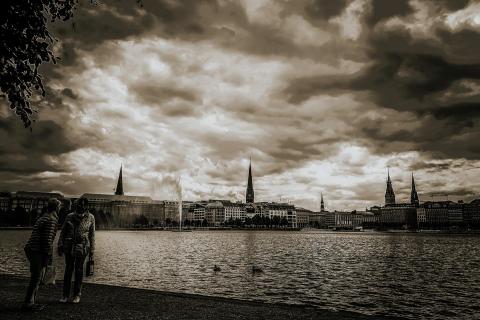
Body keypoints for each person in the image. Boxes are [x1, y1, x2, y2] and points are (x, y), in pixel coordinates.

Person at [23, 198, 61, 310]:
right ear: (56, 208)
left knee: (36, 276)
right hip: (37, 251)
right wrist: (48, 257)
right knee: (36, 277)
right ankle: (28, 303)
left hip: (31, 249)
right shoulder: (52, 220)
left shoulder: (43, 217)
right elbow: (47, 240)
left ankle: (31, 302)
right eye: (59, 207)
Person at [58, 197, 95, 303]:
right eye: (80, 204)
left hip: (83, 247)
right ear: (76, 205)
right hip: (69, 246)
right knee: (68, 270)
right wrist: (60, 244)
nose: (81, 206)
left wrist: (92, 249)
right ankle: (65, 295)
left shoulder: (91, 217)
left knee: (79, 270)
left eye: (84, 204)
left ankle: (77, 295)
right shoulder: (69, 216)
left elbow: (92, 235)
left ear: (87, 206)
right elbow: (63, 232)